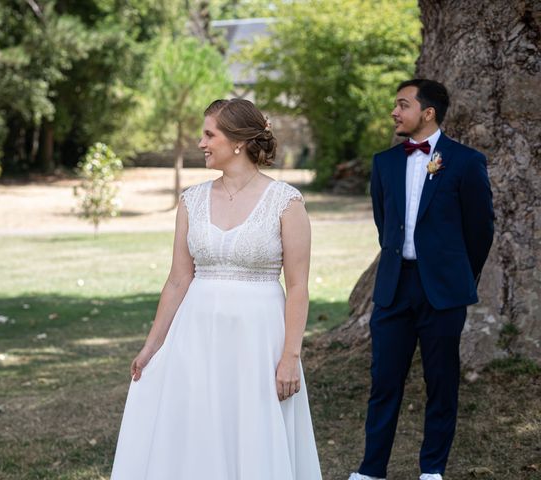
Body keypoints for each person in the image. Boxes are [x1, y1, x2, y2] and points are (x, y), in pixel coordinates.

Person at [110, 98, 323, 480]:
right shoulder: (191, 200)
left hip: (259, 338)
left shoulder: (286, 202)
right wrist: (152, 345)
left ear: (238, 141)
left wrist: (290, 356)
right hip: (196, 334)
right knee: (198, 428)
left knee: (251, 429)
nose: (201, 143)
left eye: (210, 134)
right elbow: (178, 279)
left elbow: (298, 287)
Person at [349, 79, 494, 480]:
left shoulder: (466, 162)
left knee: (441, 382)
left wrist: (459, 276)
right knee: (384, 382)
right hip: (394, 288)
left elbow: (480, 229)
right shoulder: (385, 163)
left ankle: (432, 469)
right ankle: (371, 469)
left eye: (402, 105)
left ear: (427, 113)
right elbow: (384, 224)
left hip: (443, 291)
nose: (395, 112)